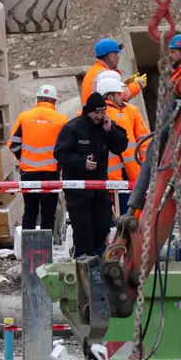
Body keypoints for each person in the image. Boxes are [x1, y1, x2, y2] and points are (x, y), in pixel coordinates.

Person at [54, 92, 128, 258]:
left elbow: (121, 146)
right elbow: (60, 153)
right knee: (83, 230)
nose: (99, 116)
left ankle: (93, 257)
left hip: (99, 187)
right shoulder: (73, 128)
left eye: (102, 112)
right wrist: (82, 163)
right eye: (96, 113)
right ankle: (83, 260)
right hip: (77, 189)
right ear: (88, 111)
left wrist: (111, 131)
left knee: (103, 227)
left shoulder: (105, 127)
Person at [7, 84, 69, 231]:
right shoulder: (62, 120)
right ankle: (45, 247)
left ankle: (28, 247)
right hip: (51, 174)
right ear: (54, 101)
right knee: (48, 213)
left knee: (30, 210)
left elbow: (12, 144)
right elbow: (66, 148)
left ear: (37, 100)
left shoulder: (24, 117)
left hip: (28, 173)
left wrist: (23, 159)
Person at [97, 72, 151, 216]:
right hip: (121, 180)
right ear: (110, 96)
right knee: (127, 223)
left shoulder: (85, 115)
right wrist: (141, 181)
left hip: (98, 182)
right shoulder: (121, 117)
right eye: (119, 93)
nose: (122, 96)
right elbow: (130, 152)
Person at [81, 38, 147, 103]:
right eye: (116, 54)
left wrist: (126, 85)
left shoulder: (95, 70)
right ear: (110, 56)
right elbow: (120, 97)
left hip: (94, 111)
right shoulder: (105, 73)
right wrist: (138, 84)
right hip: (104, 112)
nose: (118, 58)